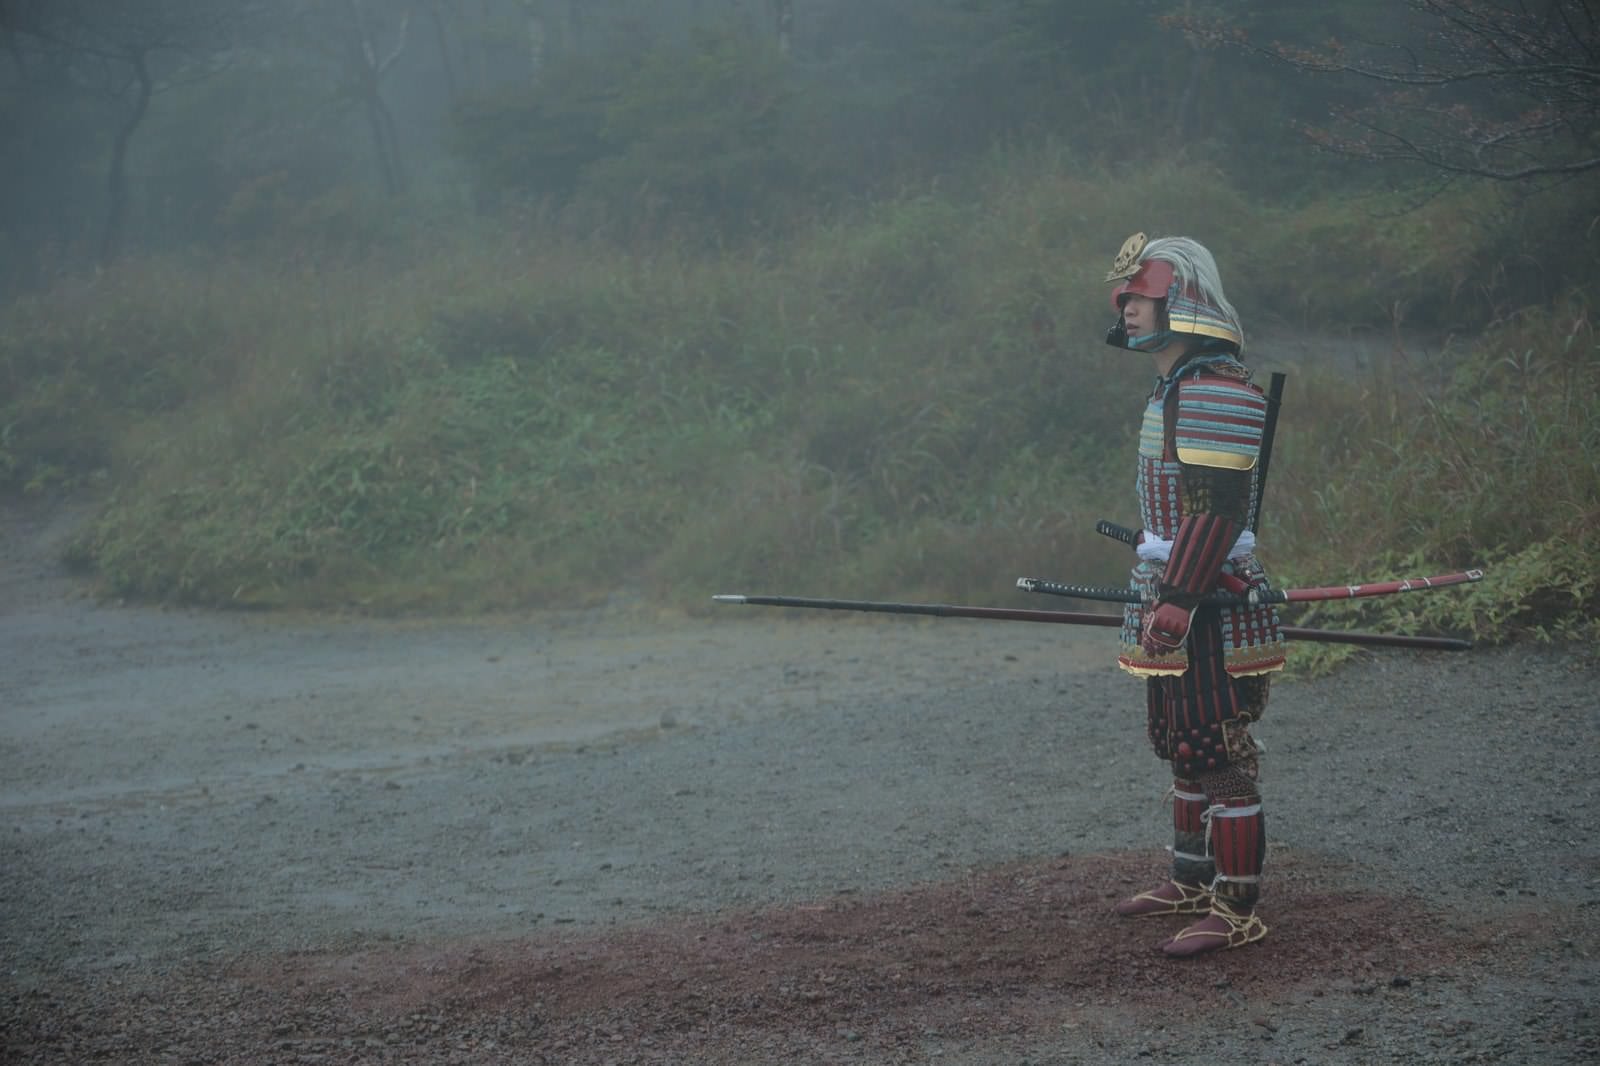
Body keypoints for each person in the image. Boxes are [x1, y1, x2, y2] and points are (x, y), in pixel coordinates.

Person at [1101, 233, 1286, 958]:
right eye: (1125, 298)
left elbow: (1216, 513)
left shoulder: (1213, 390)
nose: (1128, 310)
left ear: (1181, 303)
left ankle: (1237, 907)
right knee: (1180, 744)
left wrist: (1178, 598)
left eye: (1139, 297)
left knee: (1220, 750)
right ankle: (1190, 878)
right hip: (1174, 590)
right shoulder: (1175, 385)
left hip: (1210, 602)